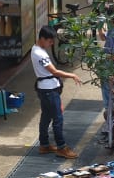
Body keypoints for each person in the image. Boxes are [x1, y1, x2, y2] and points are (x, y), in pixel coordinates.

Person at [32, 26, 82, 159]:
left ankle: (44, 144)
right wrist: (72, 75)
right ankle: (61, 147)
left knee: (46, 116)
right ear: (42, 39)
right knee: (57, 118)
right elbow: (54, 71)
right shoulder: (39, 53)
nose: (51, 43)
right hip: (49, 90)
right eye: (49, 41)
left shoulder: (37, 49)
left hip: (46, 89)